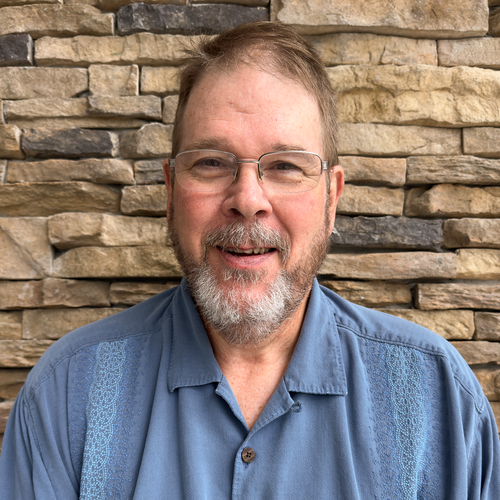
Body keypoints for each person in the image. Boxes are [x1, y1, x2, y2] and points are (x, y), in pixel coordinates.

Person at [1, 21, 499, 499]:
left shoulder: (438, 400)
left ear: (331, 199)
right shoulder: (66, 396)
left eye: (285, 166)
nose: (247, 199)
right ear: (170, 192)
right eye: (211, 163)